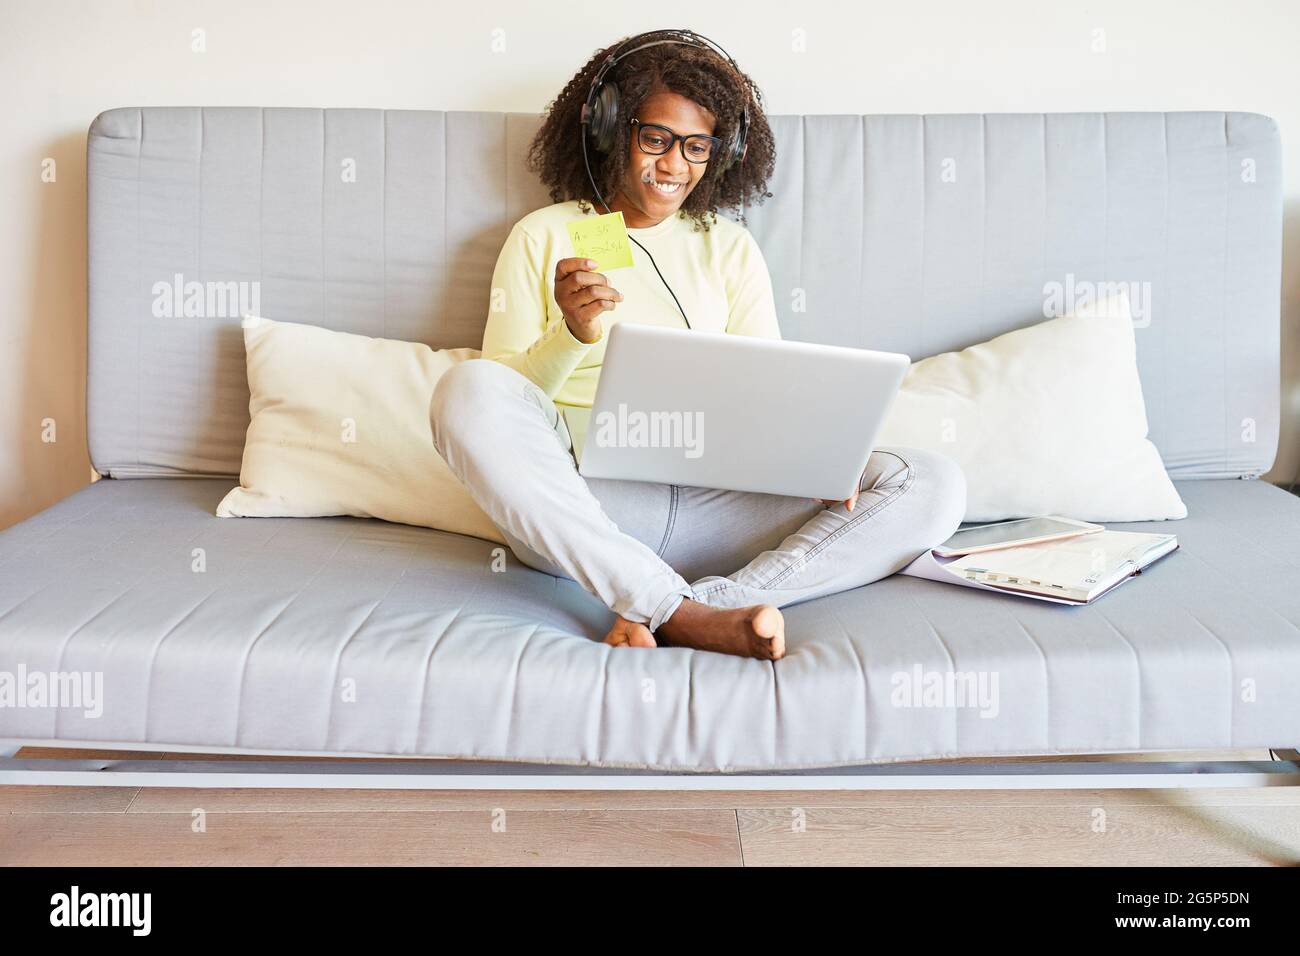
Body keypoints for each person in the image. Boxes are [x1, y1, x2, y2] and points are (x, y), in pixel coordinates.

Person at [431, 31, 965, 660]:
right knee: (466, 389)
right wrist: (570, 335)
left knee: (931, 481)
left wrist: (814, 461)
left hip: (722, 507)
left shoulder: (729, 247)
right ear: (610, 130)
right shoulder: (543, 236)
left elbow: (770, 387)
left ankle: (701, 606)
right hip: (590, 506)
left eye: (695, 147)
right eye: (655, 139)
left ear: (722, 151)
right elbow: (505, 406)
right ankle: (677, 609)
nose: (673, 165)